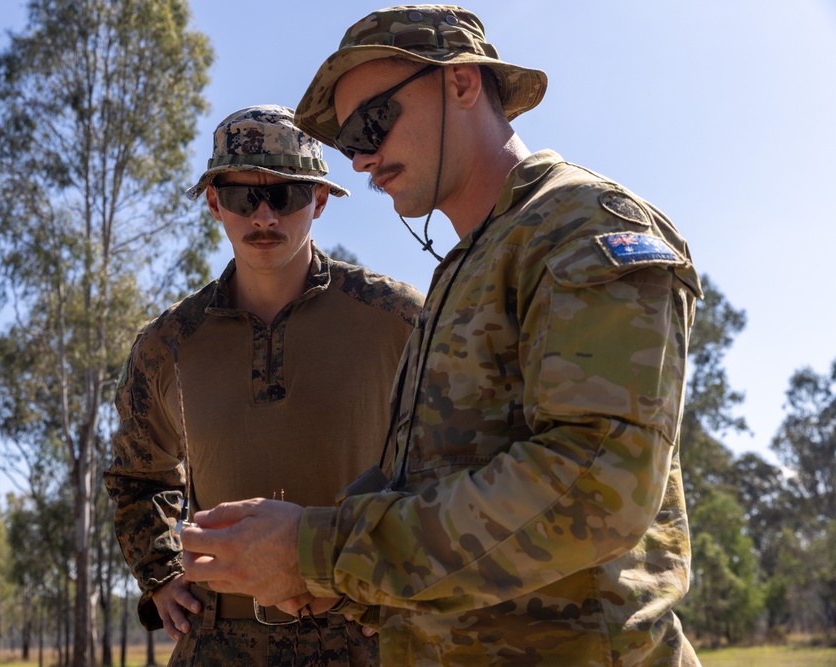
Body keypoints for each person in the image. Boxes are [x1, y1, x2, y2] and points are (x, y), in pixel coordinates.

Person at [179, 6, 705, 666]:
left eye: (372, 122)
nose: (363, 156)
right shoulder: (462, 270)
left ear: (459, 83)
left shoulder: (578, 225)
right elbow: (431, 483)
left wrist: (318, 548)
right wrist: (326, 576)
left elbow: (596, 485)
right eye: (348, 143)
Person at [103, 104, 424, 666]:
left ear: (320, 200)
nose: (264, 217)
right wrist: (159, 571)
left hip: (367, 637)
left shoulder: (398, 318)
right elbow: (136, 475)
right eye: (242, 197)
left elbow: (451, 466)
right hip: (218, 643)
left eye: (286, 195)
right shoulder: (168, 343)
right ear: (213, 204)